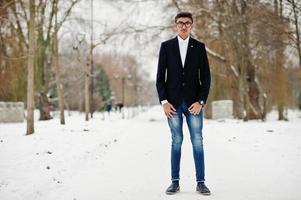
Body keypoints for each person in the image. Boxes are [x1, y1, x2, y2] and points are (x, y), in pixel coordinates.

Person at [156, 12, 211, 195]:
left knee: (197, 141)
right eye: (180, 23)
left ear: (192, 25)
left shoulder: (199, 47)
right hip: (173, 105)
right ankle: (175, 182)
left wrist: (201, 101)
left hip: (194, 104)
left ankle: (201, 182)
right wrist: (164, 102)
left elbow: (206, 78)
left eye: (187, 23)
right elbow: (159, 79)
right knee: (176, 141)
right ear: (175, 25)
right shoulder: (166, 47)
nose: (184, 26)